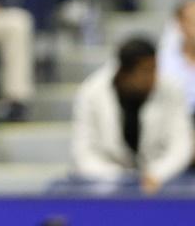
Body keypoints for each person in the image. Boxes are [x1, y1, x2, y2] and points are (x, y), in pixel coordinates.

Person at [71, 37, 193, 194]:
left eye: (155, 69)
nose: (153, 77)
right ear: (124, 73)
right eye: (146, 71)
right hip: (104, 179)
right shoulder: (91, 92)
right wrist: (121, 179)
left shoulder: (171, 89)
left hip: (161, 179)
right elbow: (84, 152)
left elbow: (180, 146)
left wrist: (156, 174)